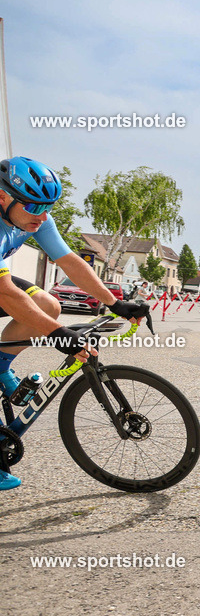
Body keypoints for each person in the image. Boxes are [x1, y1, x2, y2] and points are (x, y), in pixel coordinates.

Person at [0, 157, 150, 491]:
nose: (42, 216)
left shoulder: (35, 218)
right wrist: (58, 334)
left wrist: (114, 303)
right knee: (36, 311)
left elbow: (70, 261)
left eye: (48, 207)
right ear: (3, 197)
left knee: (48, 305)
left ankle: (0, 366)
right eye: (34, 206)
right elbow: (6, 294)